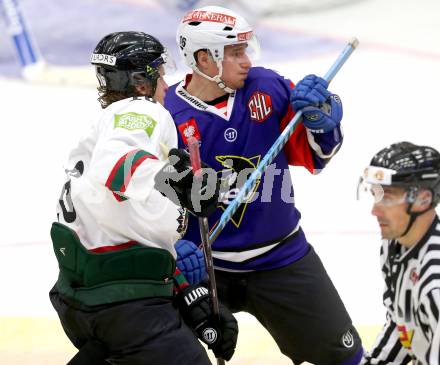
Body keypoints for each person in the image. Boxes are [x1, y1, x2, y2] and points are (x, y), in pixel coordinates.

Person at [164, 5, 363, 365]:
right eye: (235, 53)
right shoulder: (165, 115)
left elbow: (315, 156)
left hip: (281, 256)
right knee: (157, 353)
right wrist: (175, 249)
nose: (246, 61)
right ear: (204, 59)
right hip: (204, 266)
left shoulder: (268, 88)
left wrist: (322, 124)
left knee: (344, 357)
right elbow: (148, 201)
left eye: (246, 50)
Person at [49, 31, 238, 365]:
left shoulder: (103, 124)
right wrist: (181, 183)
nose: (166, 85)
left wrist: (186, 293)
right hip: (123, 302)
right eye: (161, 75)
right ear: (141, 82)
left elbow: (126, 220)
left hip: (87, 299)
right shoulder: (143, 110)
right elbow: (116, 164)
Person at [358, 142, 440, 365]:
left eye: (388, 197)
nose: (374, 210)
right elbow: (400, 324)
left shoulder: (435, 286)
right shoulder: (395, 245)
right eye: (375, 194)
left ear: (423, 199)